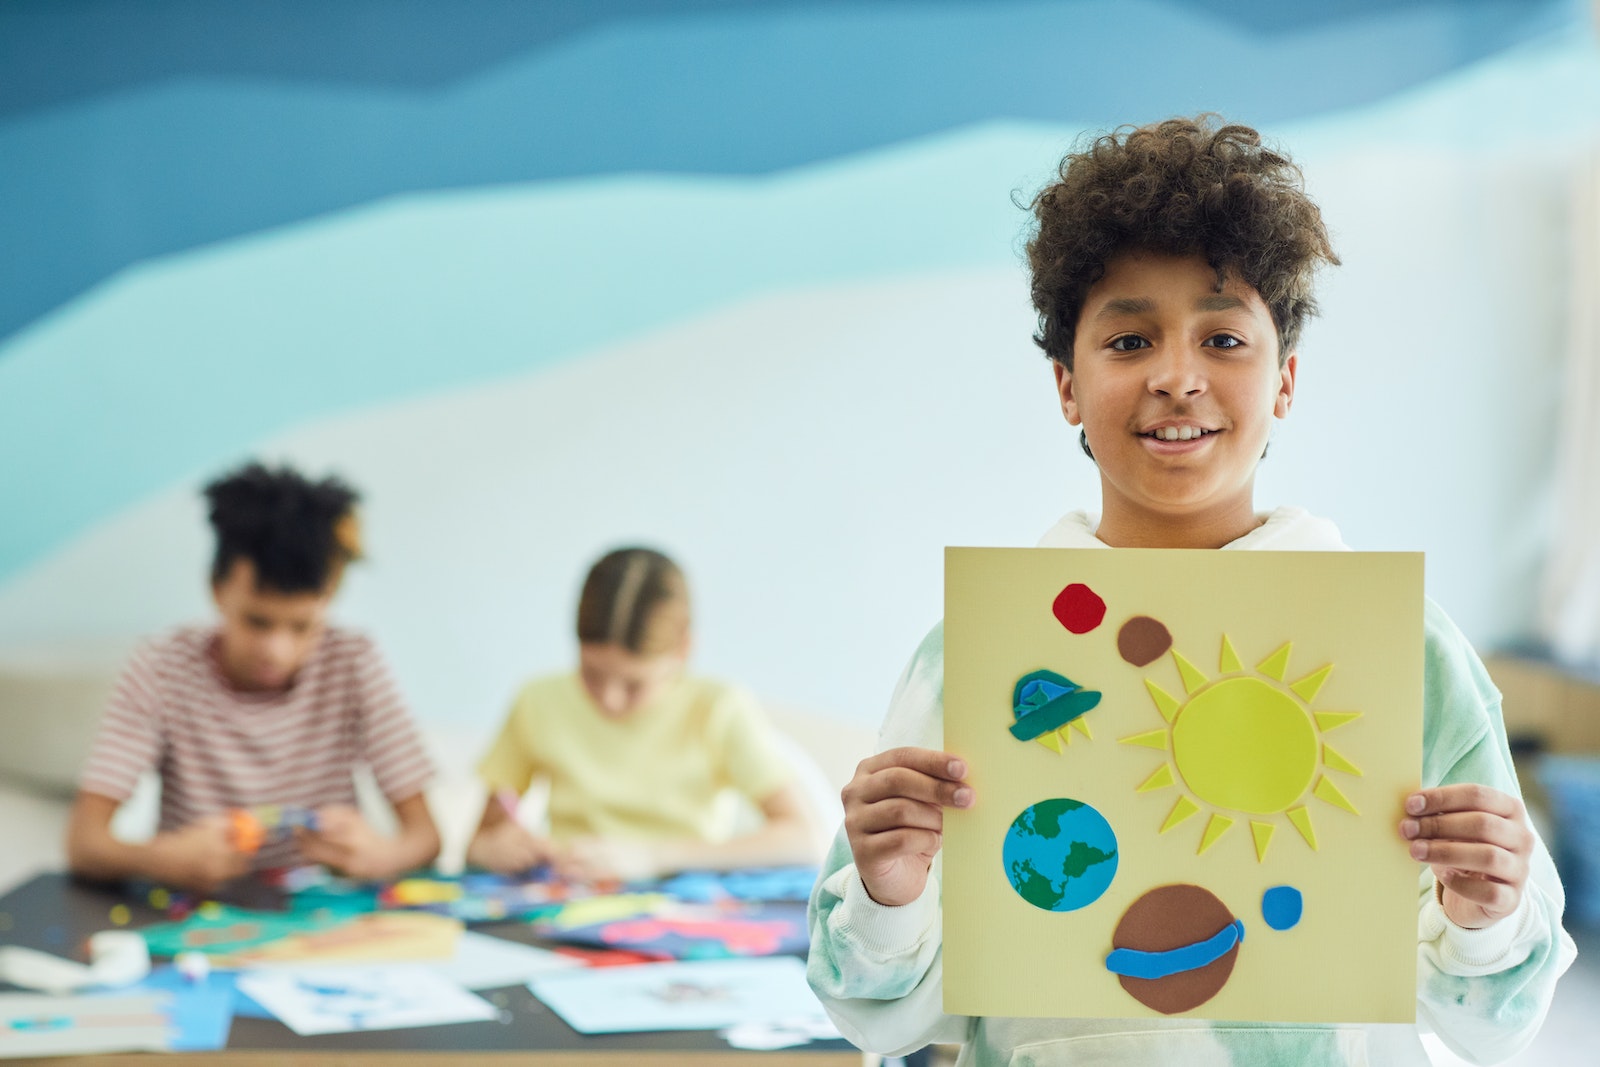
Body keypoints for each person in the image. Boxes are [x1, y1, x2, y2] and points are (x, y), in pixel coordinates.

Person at [806, 116, 1576, 1065]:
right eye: (1129, 340)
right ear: (1066, 386)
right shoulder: (974, 652)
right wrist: (887, 891)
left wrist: (1487, 910)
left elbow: (1492, 1018)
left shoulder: (1401, 646)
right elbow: (874, 1013)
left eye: (1222, 338)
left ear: (1285, 380)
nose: (1176, 377)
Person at [66, 462, 440, 893]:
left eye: (302, 627)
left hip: (323, 913)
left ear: (329, 599)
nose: (277, 651)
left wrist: (382, 855)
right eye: (257, 622)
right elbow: (83, 842)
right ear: (217, 589)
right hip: (196, 908)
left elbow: (427, 837)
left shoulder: (354, 661)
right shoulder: (160, 667)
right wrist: (161, 859)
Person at [466, 546, 815, 881]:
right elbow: (479, 840)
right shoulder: (536, 701)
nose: (610, 699)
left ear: (683, 649)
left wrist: (656, 856)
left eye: (634, 685)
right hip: (561, 903)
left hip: (680, 912)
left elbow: (803, 838)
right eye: (591, 674)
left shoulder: (718, 707)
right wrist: (493, 848)